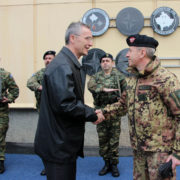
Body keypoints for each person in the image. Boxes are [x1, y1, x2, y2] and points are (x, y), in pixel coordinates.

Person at [98, 34, 180, 180]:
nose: (127, 54)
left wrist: (177, 153)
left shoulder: (166, 79)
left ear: (142, 53)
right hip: (138, 150)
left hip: (160, 152)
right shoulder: (133, 79)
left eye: (130, 50)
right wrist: (101, 113)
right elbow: (123, 105)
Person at [34, 21, 104, 180]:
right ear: (73, 38)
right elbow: (66, 105)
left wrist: (90, 112)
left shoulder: (68, 63)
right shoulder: (62, 66)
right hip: (58, 145)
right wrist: (92, 114)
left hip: (61, 142)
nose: (90, 43)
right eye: (87, 38)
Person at [88, 53, 126, 177]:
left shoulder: (119, 76)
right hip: (100, 113)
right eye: (103, 61)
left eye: (107, 60)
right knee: (103, 140)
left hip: (114, 113)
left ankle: (114, 165)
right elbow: (90, 86)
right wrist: (103, 89)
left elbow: (126, 92)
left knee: (114, 140)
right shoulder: (96, 76)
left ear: (112, 63)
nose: (105, 63)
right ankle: (106, 163)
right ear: (100, 63)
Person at [27, 50, 56, 176]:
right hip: (44, 114)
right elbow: (30, 82)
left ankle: (58, 164)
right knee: (46, 141)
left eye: (50, 58)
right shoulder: (40, 74)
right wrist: (41, 87)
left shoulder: (60, 73)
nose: (48, 60)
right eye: (46, 58)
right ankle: (48, 166)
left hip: (58, 114)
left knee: (58, 140)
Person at [0, 67, 19, 174]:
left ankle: (0, 160)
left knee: (0, 136)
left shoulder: (5, 75)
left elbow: (15, 90)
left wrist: (9, 98)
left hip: (1, 112)